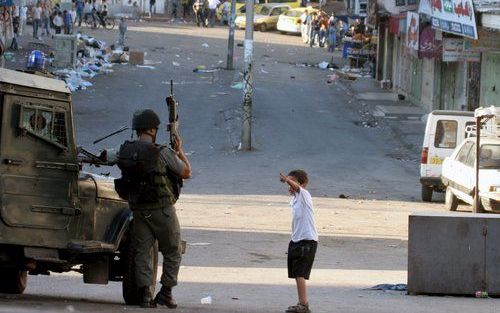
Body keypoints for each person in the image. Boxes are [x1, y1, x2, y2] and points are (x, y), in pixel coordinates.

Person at [105, 109, 192, 308]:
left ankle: (145, 295)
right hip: (162, 210)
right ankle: (166, 292)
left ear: (137, 129)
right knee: (173, 250)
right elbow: (186, 172)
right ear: (153, 130)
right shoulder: (162, 152)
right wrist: (179, 150)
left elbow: (107, 156)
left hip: (138, 210)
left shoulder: (125, 150)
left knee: (142, 251)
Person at [279, 170, 318, 313]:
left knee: (300, 273)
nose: (289, 186)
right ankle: (301, 303)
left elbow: (296, 188)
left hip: (307, 241)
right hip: (296, 240)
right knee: (296, 273)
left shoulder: (304, 195)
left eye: (292, 182)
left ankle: (304, 305)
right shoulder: (294, 199)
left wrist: (287, 180)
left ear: (302, 184)